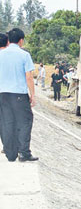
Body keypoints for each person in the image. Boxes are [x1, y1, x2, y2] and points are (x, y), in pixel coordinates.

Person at [0, 28, 38, 162]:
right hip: (19, 95)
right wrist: (32, 95)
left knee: (6, 122)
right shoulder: (24, 55)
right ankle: (24, 152)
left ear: (9, 39)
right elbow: (29, 76)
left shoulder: (1, 54)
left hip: (2, 94)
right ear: (21, 40)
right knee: (25, 121)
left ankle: (10, 153)